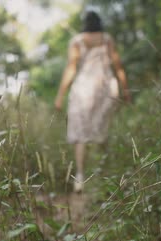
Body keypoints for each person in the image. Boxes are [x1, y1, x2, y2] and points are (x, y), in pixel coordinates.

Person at [54, 11, 131, 192]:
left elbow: (71, 69)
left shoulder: (77, 41)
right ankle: (106, 175)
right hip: (105, 88)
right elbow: (118, 66)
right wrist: (126, 90)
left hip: (83, 89)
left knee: (80, 133)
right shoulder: (107, 39)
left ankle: (80, 177)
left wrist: (60, 95)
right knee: (102, 130)